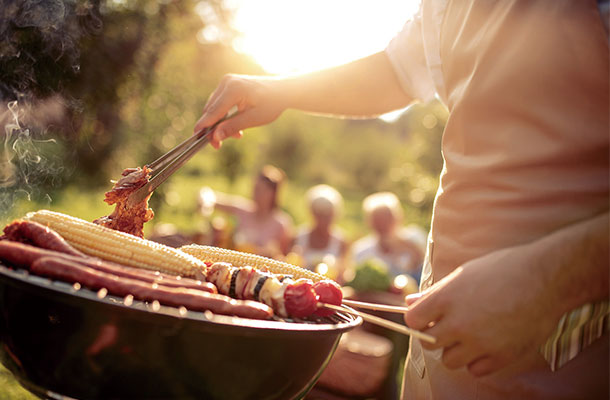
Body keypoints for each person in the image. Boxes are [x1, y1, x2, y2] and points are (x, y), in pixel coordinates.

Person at [192, 1, 609, 398]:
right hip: (439, 351)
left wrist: (546, 280)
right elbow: (399, 70)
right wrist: (281, 89)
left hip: (566, 351)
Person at [198, 165, 293, 258]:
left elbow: (285, 258)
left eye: (261, 190)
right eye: (255, 188)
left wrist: (273, 253)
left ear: (273, 194)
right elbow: (209, 195)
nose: (255, 193)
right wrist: (205, 204)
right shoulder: (243, 209)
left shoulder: (282, 224)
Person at [352, 191, 425, 283]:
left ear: (398, 218)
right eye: (377, 219)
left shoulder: (415, 236)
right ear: (369, 222)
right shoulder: (361, 250)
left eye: (387, 218)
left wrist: (404, 244)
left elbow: (425, 268)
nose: (383, 224)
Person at [292, 184, 348, 281]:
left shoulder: (341, 241)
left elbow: (344, 274)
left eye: (327, 215)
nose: (323, 219)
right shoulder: (297, 237)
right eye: (319, 214)